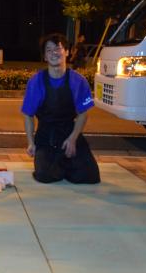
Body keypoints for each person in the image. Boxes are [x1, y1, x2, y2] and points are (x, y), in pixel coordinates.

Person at [21, 33, 100, 184]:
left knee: (89, 176)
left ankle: (65, 163)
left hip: (69, 133)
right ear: (45, 56)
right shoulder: (36, 81)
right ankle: (56, 163)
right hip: (46, 135)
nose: (54, 53)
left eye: (58, 48)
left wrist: (73, 138)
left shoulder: (79, 81)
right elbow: (28, 115)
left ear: (67, 52)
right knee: (45, 176)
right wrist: (31, 142)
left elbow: (83, 114)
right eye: (49, 50)